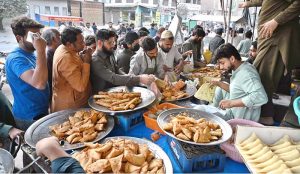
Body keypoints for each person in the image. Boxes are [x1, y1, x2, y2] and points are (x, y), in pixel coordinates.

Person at [239, 0, 300, 125]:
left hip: (276, 39)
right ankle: (264, 115)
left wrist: (276, 21)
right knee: (259, 76)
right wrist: (249, 4)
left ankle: (266, 117)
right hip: (268, 39)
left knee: (264, 78)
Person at [6, 17, 49, 130]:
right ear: (19, 38)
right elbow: (39, 83)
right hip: (29, 117)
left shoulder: (32, 54)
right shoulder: (16, 58)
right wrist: (41, 50)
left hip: (41, 110)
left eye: (39, 35)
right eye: (33, 36)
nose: (39, 39)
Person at [210, 43, 268, 121]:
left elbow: (261, 96)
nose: (221, 67)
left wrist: (231, 103)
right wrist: (218, 83)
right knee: (218, 89)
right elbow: (237, 90)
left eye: (222, 63)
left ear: (232, 59)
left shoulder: (247, 74)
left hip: (239, 118)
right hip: (233, 110)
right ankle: (213, 108)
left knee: (202, 112)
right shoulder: (238, 68)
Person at [90, 29, 155, 94]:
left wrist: (129, 77)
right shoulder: (95, 60)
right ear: (99, 43)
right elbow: (113, 78)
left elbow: (117, 70)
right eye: (110, 43)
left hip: (114, 92)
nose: (113, 45)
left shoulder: (109, 53)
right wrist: (139, 79)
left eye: (113, 42)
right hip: (101, 97)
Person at [51, 27, 92, 112]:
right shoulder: (66, 58)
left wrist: (80, 56)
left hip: (77, 101)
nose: (84, 44)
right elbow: (80, 87)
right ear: (69, 44)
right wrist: (87, 62)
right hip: (70, 107)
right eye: (81, 42)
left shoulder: (65, 48)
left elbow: (74, 62)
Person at [41, 28, 61, 103]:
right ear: (54, 39)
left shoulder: (54, 52)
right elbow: (50, 79)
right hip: (54, 95)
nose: (62, 39)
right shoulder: (49, 55)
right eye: (59, 37)